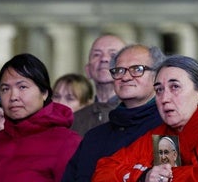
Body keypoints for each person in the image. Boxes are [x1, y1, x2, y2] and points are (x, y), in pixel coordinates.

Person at [92, 55, 198, 182]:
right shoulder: (164, 134)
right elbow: (104, 171)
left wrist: (164, 177)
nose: (164, 98)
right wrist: (143, 176)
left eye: (175, 87)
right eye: (159, 90)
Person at [62, 44, 166, 182]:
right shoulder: (94, 137)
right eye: (119, 70)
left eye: (137, 69)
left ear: (157, 76)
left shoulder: (167, 130)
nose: (126, 77)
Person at [0, 53, 82, 181]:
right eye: (5, 89)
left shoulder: (68, 143)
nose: (13, 96)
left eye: (22, 87)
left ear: (44, 93)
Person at [71, 34, 126, 136]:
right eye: (97, 54)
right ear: (88, 71)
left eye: (113, 55)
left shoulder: (145, 115)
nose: (104, 59)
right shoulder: (74, 121)